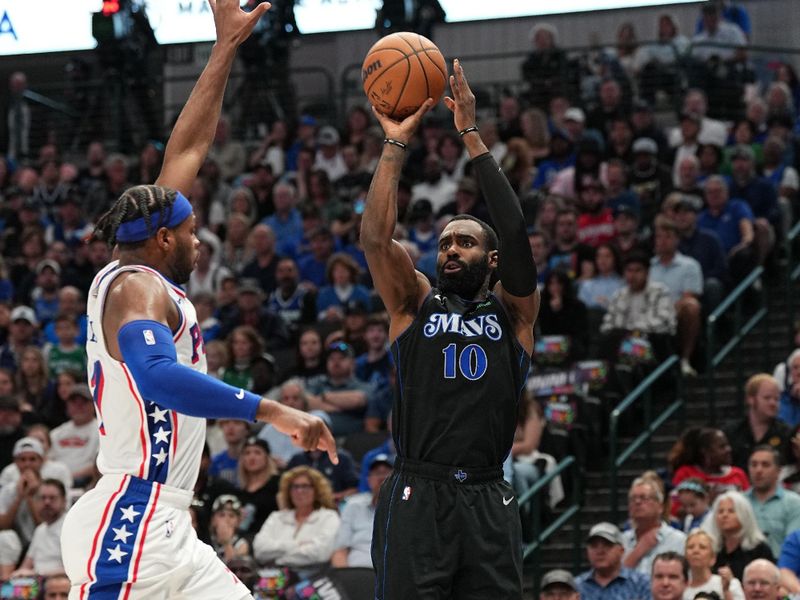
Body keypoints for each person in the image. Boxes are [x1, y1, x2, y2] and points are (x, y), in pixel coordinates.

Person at [59, 3, 337, 598]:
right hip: (131, 523)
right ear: (163, 238)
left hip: (168, 524)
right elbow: (157, 376)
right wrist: (275, 412)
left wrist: (224, 48)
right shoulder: (136, 286)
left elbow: (186, 151)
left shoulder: (144, 264)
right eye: (188, 233)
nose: (197, 240)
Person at [361, 59, 539, 599]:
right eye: (444, 243)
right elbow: (374, 239)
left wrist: (471, 135)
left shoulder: (514, 315)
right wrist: (394, 145)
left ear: (492, 261)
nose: (450, 249)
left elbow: (514, 228)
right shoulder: (414, 301)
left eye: (464, 242)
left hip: (488, 496)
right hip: (419, 490)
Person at [252, 466, 340, 573]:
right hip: (271, 579)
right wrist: (297, 544)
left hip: (312, 577)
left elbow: (320, 553)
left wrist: (279, 560)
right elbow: (260, 549)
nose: (299, 491)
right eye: (295, 487)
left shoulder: (329, 517)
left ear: (317, 490)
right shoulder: (276, 517)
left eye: (305, 486)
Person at [331, 453, 394, 568]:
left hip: (390, 575)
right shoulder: (353, 506)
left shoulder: (406, 509)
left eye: (386, 473)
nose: (381, 477)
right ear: (368, 480)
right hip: (355, 573)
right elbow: (340, 551)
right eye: (377, 473)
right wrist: (344, 578)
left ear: (397, 479)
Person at [701, 491, 774, 580]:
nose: (724, 515)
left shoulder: (760, 549)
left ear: (744, 515)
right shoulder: (713, 549)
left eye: (731, 511)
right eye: (720, 511)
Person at [724, 374, 791, 470]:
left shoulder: (786, 433)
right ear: (751, 399)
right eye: (767, 398)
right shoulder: (731, 432)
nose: (773, 403)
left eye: (777, 399)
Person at [623, 477, 687, 575]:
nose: (637, 502)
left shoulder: (679, 540)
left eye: (644, 498)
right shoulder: (621, 541)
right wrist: (637, 552)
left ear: (660, 506)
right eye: (633, 499)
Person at [745, 445, 800, 557]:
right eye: (754, 465)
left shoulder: (794, 503)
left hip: (779, 568)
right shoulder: (738, 501)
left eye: (765, 465)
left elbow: (793, 546)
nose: (758, 470)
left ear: (778, 471)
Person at [576, 521, 651, 600]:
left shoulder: (641, 584)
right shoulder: (576, 587)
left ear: (621, 550)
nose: (600, 551)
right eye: (594, 546)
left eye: (607, 545)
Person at [11, 478, 68, 577]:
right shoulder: (40, 530)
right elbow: (25, 566)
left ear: (64, 501)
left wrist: (37, 574)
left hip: (60, 584)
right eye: (42, 498)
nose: (47, 502)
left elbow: (75, 569)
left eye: (52, 498)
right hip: (35, 583)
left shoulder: (71, 527)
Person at [48, 383, 99, 487]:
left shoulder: (102, 431)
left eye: (83, 402)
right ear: (67, 406)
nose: (78, 406)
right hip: (55, 483)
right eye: (74, 403)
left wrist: (68, 477)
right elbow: (47, 460)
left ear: (93, 405)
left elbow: (99, 464)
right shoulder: (56, 433)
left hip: (85, 482)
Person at [684, 529, 745, 600]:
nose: (696, 551)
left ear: (713, 558)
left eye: (702, 547)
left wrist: (726, 591)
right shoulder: (681, 590)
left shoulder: (731, 584)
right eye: (690, 547)